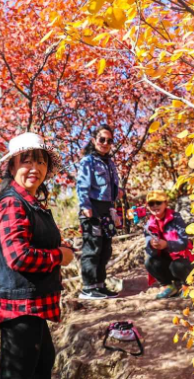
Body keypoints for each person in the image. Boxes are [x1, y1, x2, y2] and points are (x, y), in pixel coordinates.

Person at [0, 132, 75, 379]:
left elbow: (30, 241)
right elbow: (19, 257)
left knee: (43, 362)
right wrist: (59, 256)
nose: (35, 168)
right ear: (12, 166)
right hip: (20, 307)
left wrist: (59, 247)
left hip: (30, 305)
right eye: (27, 161)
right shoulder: (12, 203)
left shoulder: (29, 203)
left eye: (41, 161)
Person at [76, 124, 123, 299]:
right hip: (92, 208)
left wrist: (118, 193)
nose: (105, 143)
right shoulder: (88, 161)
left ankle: (100, 285)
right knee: (93, 247)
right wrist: (85, 206)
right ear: (94, 140)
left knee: (105, 248)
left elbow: (112, 186)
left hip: (106, 208)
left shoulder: (109, 162)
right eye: (102, 139)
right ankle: (88, 288)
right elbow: (82, 185)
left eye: (109, 140)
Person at [143, 190, 194, 299]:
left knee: (177, 265)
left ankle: (187, 286)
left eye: (158, 202)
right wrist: (152, 245)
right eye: (151, 204)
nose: (155, 206)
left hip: (184, 261)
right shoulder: (149, 224)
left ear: (165, 203)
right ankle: (169, 287)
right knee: (150, 262)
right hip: (167, 262)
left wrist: (167, 244)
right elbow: (149, 249)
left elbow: (183, 242)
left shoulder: (176, 218)